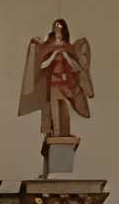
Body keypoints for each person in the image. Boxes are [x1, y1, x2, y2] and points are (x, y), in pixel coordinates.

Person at [19, 18, 94, 146]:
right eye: (55, 27)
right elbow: (41, 66)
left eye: (59, 27)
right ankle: (56, 136)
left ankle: (63, 136)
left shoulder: (68, 47)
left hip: (66, 84)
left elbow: (76, 67)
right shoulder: (49, 47)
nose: (57, 29)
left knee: (64, 112)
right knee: (55, 112)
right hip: (54, 84)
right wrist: (53, 55)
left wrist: (65, 55)